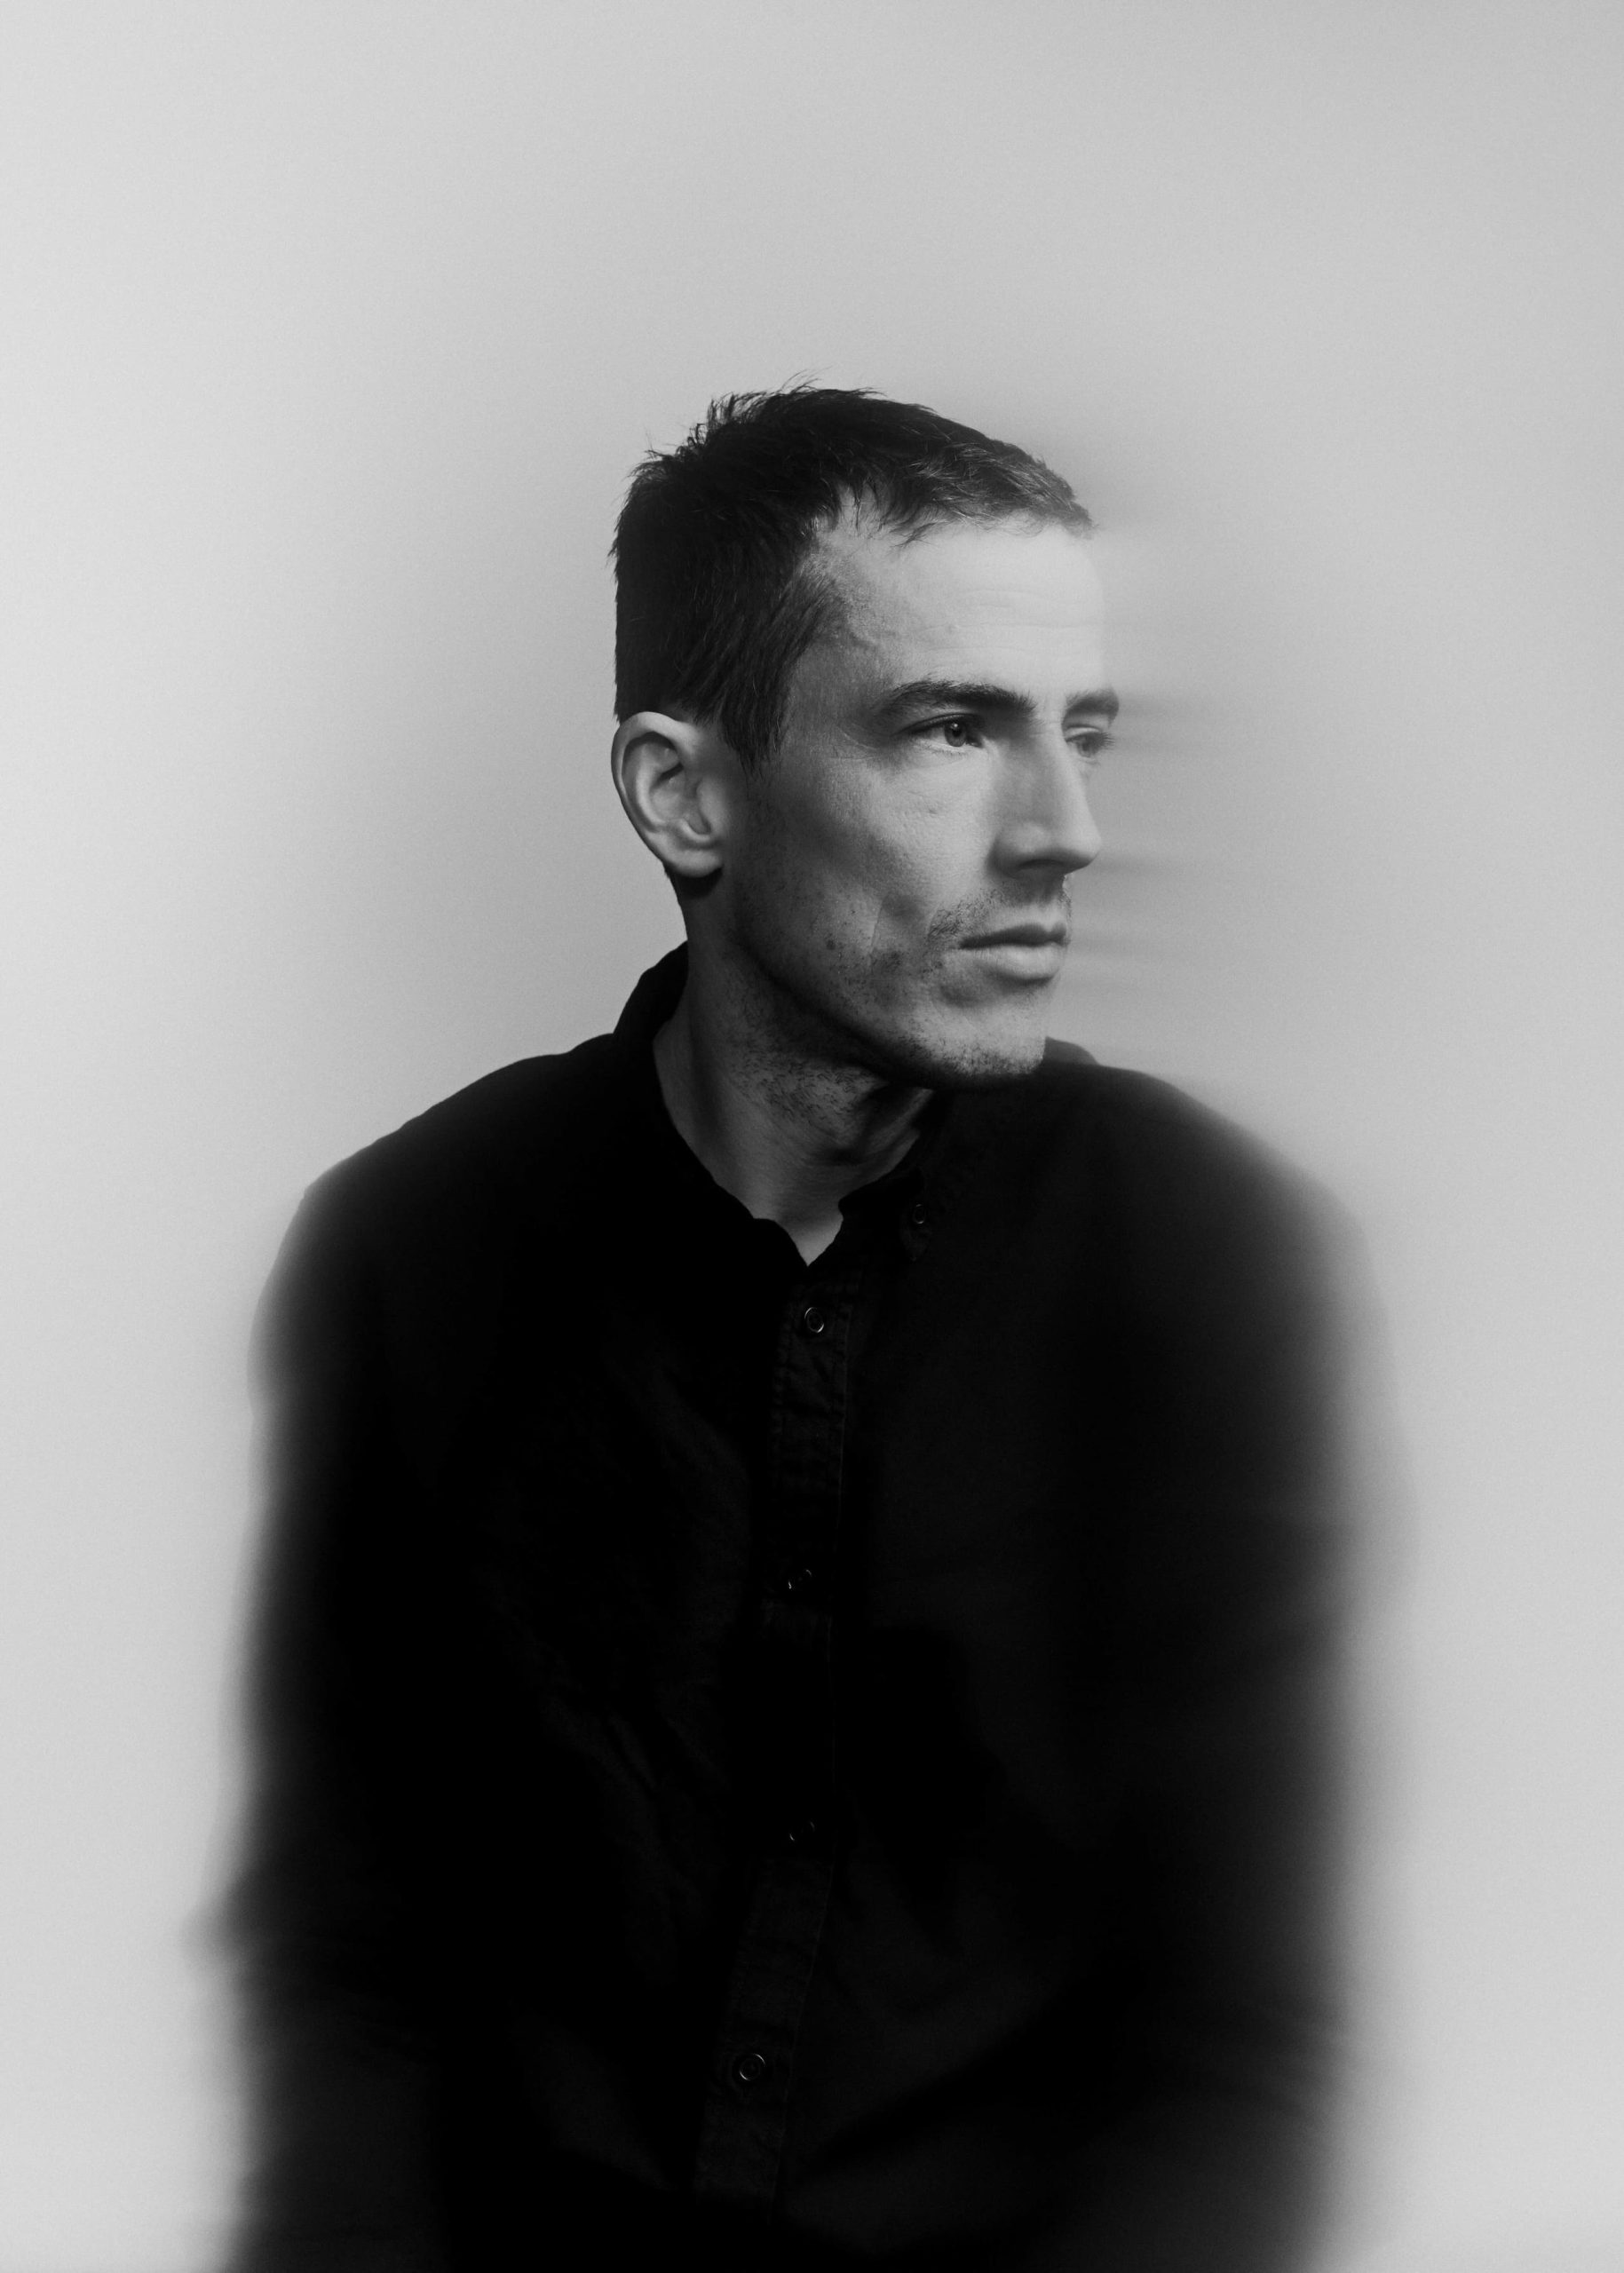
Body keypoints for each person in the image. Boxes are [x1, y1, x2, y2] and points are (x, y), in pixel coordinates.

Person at [227, 387, 1368, 2272]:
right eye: (952, 730)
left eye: (1082, 734)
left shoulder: (1203, 1255)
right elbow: (347, 1977)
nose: (1066, 834)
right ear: (684, 793)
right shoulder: (406, 1251)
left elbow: (1240, 2036)